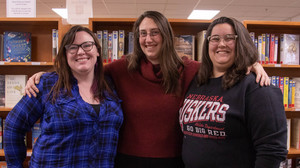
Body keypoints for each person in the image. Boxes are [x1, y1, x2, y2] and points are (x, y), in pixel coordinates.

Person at [24, 11, 269, 168]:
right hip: (126, 161)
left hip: (173, 162)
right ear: (136, 38)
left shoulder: (190, 69)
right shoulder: (121, 68)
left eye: (154, 32)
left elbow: (221, 60)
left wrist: (253, 63)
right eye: (142, 33)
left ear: (165, 35)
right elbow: (84, 68)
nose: (148, 39)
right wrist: (46, 76)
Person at [4, 25, 123, 168]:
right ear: (65, 55)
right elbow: (13, 126)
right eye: (72, 47)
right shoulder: (48, 84)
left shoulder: (111, 85)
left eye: (87, 45)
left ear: (97, 51)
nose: (80, 52)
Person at [179, 16, 288, 168]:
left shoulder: (259, 88)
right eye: (215, 38)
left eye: (229, 38)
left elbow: (272, 150)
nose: (221, 44)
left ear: (241, 43)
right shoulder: (197, 80)